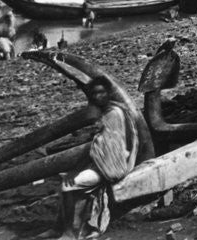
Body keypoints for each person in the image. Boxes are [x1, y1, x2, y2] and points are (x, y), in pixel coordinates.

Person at [53, 76, 139, 239]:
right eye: (94, 93)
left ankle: (70, 233)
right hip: (103, 162)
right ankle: (59, 227)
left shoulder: (114, 114)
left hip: (112, 165)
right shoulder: (105, 111)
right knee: (65, 181)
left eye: (102, 92)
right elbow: (97, 144)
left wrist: (77, 169)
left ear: (108, 93)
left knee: (68, 185)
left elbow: (104, 147)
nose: (98, 96)